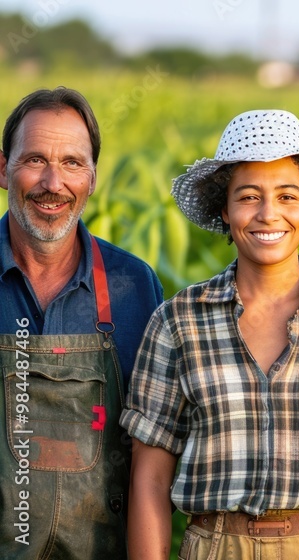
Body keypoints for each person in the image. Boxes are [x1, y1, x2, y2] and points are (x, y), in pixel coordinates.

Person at [121, 109, 299, 560]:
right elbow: (150, 480)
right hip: (214, 546)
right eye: (249, 196)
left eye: (287, 196)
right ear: (225, 209)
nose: (268, 214)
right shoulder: (178, 321)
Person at [0, 87, 163, 559]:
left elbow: (152, 453)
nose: (53, 182)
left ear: (92, 178)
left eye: (72, 162)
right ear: (2, 169)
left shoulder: (133, 284)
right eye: (34, 160)